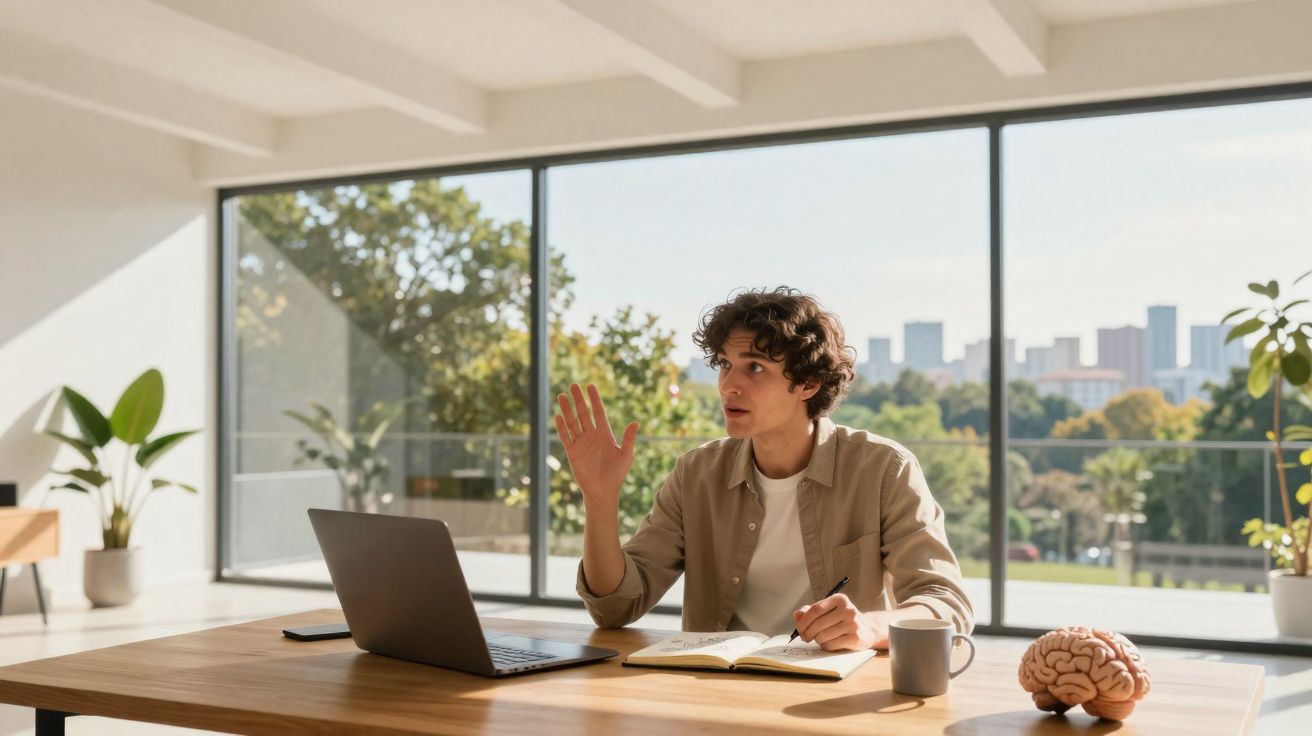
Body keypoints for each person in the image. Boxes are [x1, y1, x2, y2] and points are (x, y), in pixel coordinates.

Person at [555, 287, 973, 651]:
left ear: (808, 384)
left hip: (829, 693)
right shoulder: (697, 474)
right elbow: (616, 606)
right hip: (716, 691)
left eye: (754, 367)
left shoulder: (884, 470)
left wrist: (870, 625)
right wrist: (600, 498)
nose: (728, 385)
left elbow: (945, 602)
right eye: (724, 364)